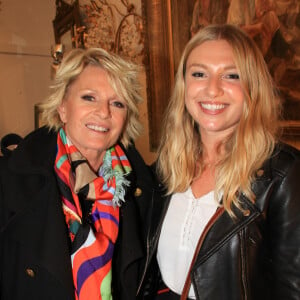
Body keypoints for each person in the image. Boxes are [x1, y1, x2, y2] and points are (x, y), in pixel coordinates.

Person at [139, 24, 300, 299]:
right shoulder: (164, 170)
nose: (212, 90)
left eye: (231, 75)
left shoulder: (283, 173)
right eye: (199, 74)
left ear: (253, 87)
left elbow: (293, 287)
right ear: (184, 85)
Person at [0, 47, 155, 300]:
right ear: (62, 107)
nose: (104, 112)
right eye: (89, 98)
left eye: (117, 103)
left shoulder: (143, 189)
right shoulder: (9, 180)